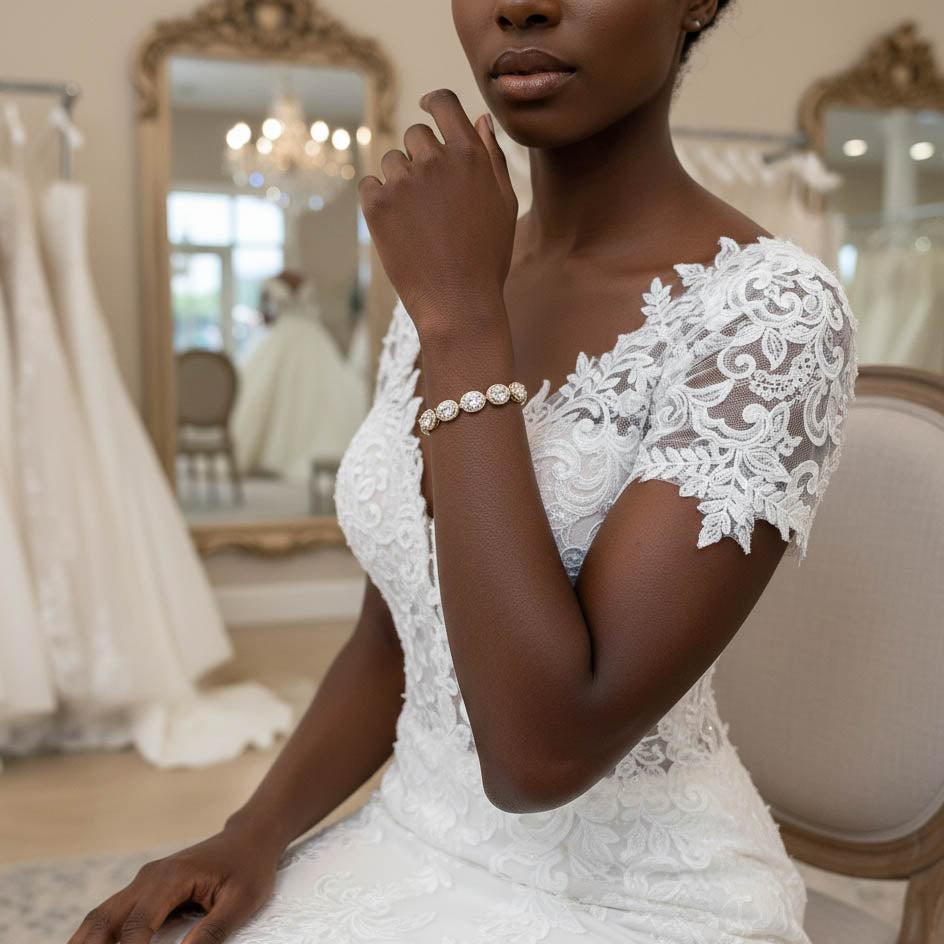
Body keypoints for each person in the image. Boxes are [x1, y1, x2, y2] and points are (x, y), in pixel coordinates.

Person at [68, 1, 858, 942]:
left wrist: (463, 327)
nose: (518, 2)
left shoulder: (770, 314)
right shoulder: (454, 274)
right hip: (407, 835)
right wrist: (251, 831)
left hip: (630, 899)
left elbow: (538, 757)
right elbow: (395, 638)